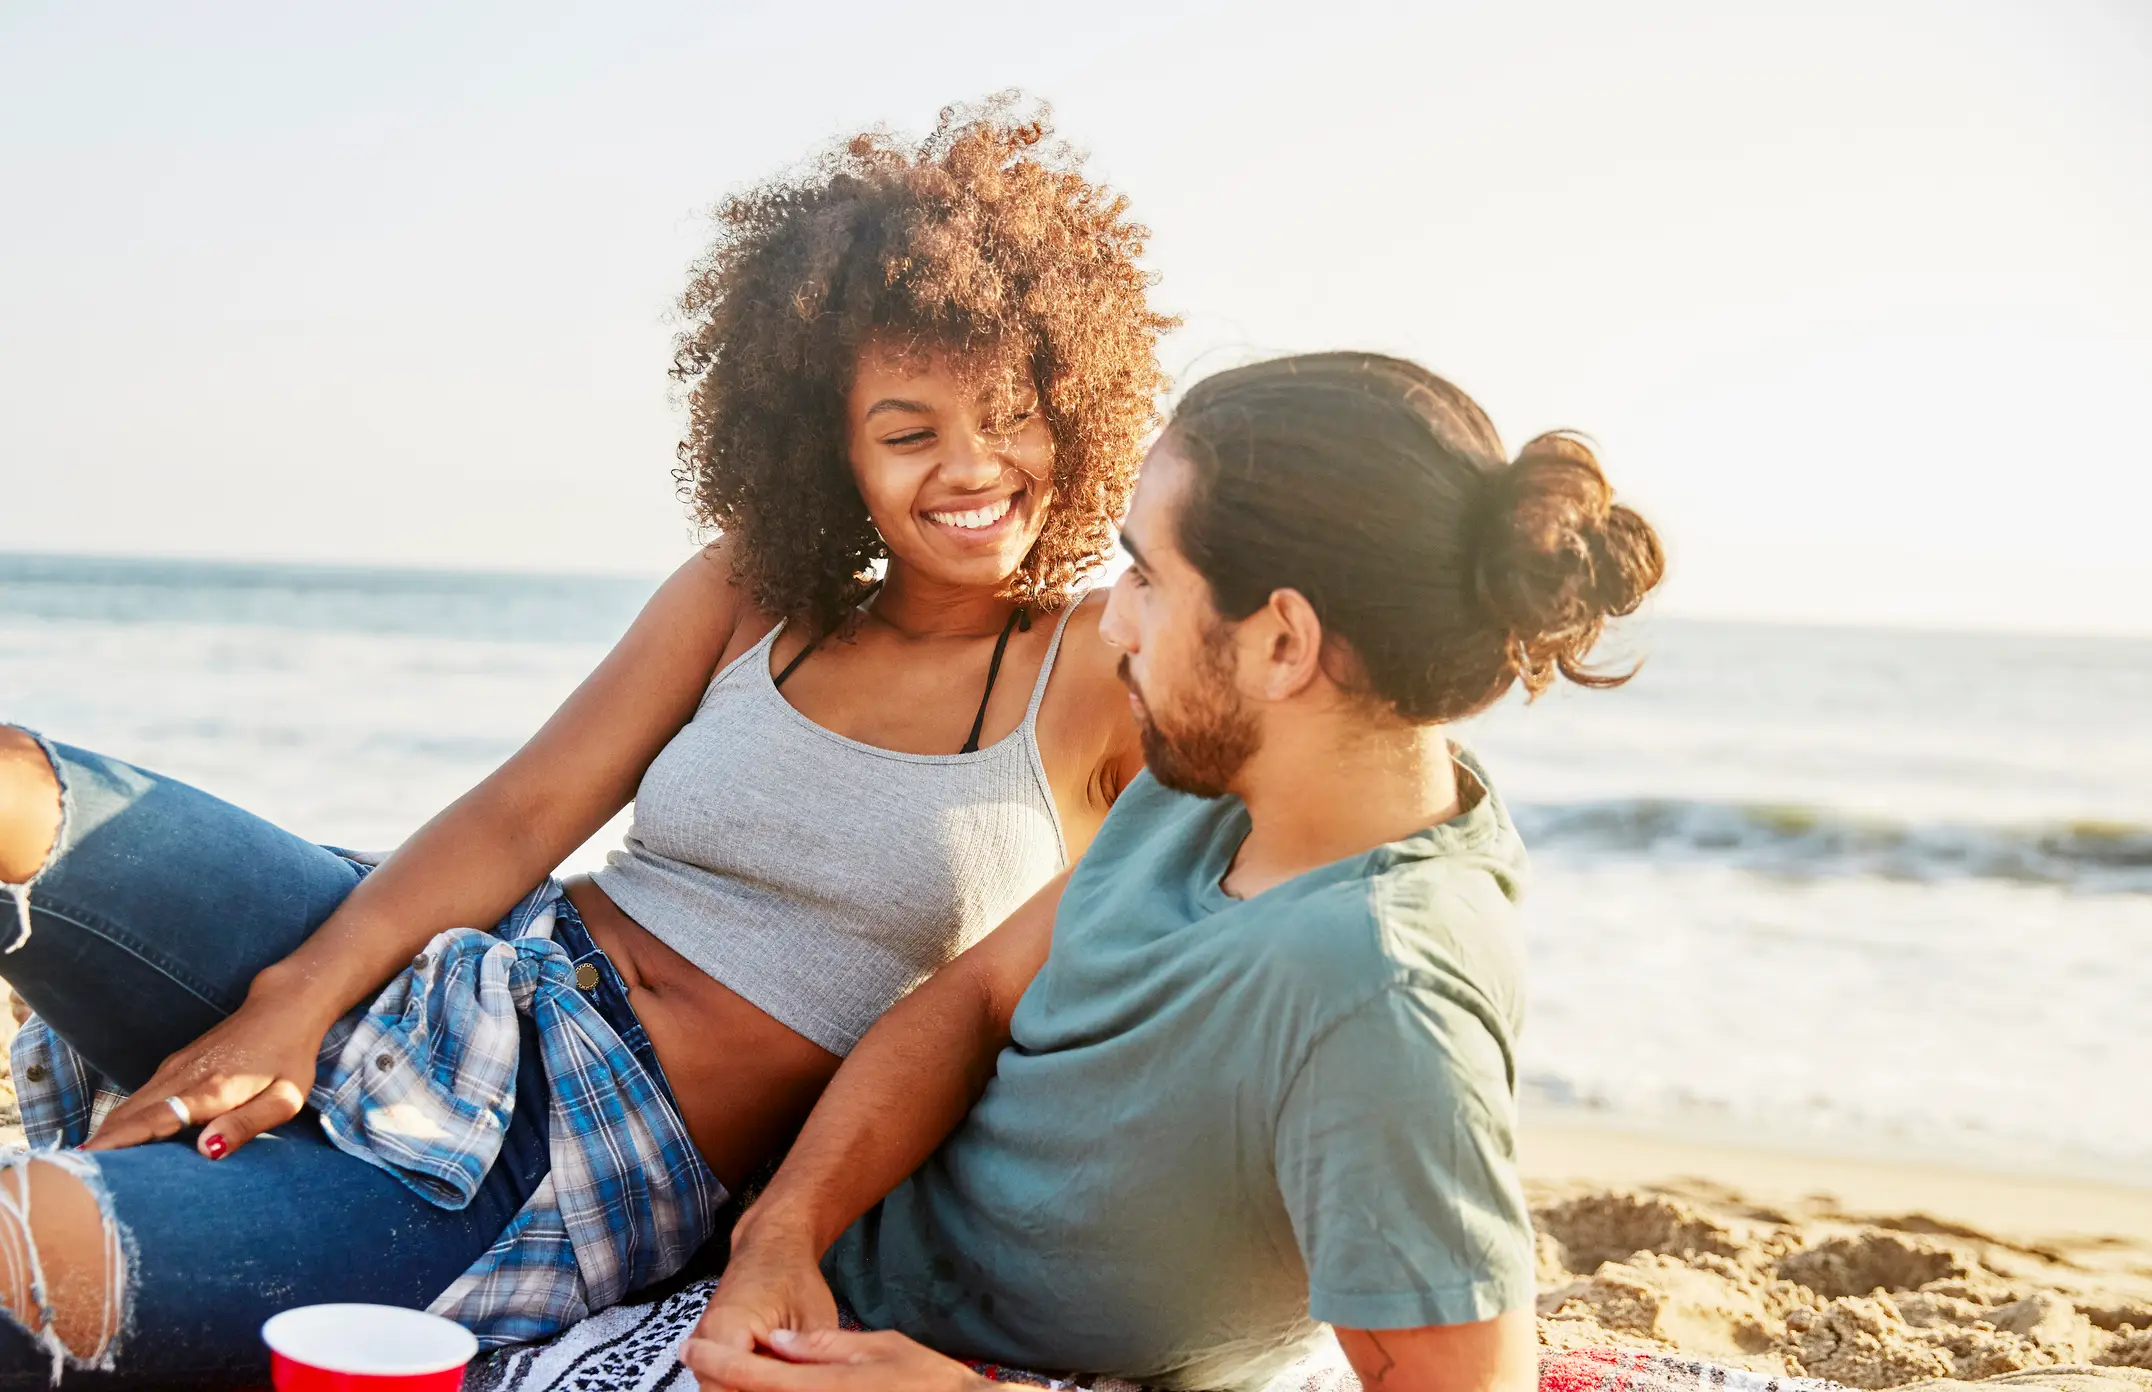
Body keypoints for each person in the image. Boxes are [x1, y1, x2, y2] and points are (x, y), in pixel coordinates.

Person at [0, 101, 1169, 1382]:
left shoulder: (1106, 664)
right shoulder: (746, 595)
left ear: (1077, 404)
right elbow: (518, 818)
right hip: (460, 960)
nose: (969, 466)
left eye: (1010, 413)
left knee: (20, 1269)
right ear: (828, 449)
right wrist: (290, 1004)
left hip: (580, 1148)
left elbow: (1318, 757)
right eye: (907, 432)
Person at [680, 352, 1667, 1392]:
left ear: (1283, 641)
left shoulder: (1381, 989)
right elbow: (972, 1000)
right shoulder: (1221, 783)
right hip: (801, 1260)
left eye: (1148, 576)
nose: (1111, 620)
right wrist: (779, 1235)